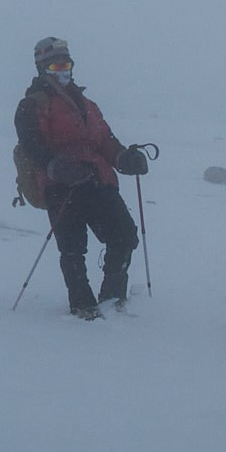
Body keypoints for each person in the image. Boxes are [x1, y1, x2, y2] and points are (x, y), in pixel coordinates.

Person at [14, 36, 148, 318]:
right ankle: (82, 305)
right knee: (73, 248)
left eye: (66, 63)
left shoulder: (88, 104)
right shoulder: (31, 105)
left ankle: (112, 299)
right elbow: (31, 145)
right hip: (62, 186)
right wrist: (55, 167)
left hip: (98, 181)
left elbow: (105, 141)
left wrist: (125, 158)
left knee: (124, 235)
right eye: (55, 64)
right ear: (42, 67)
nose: (63, 69)